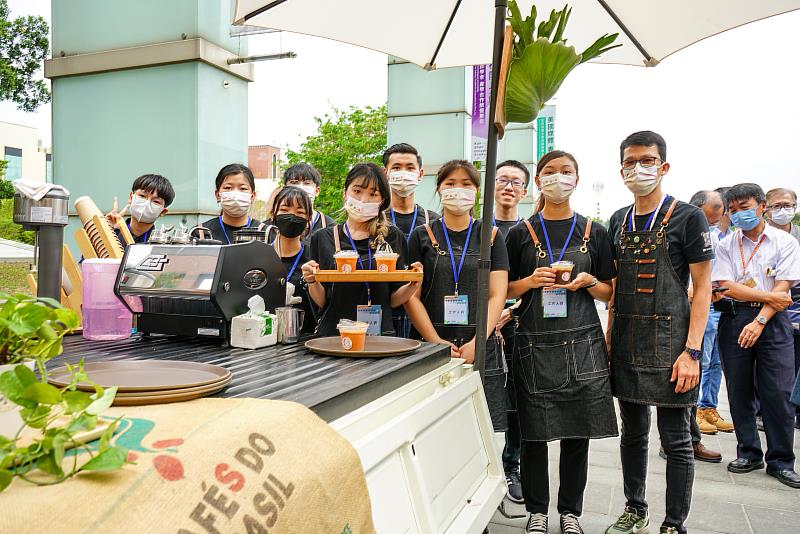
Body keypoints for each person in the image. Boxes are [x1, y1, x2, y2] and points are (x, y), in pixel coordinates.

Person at [605, 131, 713, 534]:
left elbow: (702, 289)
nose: (638, 168)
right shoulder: (618, 220)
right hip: (628, 341)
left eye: (647, 160)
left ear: (663, 166)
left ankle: (673, 523)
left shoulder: (688, 217)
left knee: (677, 441)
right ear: (621, 170)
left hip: (673, 347)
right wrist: (608, 338)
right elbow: (614, 288)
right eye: (630, 161)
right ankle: (635, 508)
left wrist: (693, 352)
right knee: (632, 436)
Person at [505, 150, 617, 534]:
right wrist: (531, 281)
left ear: (577, 179)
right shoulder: (521, 232)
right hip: (535, 343)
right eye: (549, 172)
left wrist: (590, 283)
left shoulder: (594, 231)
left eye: (565, 172)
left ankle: (570, 512)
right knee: (535, 432)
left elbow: (609, 292)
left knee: (577, 431)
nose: (557, 178)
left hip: (582, 343)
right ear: (538, 181)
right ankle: (538, 511)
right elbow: (506, 289)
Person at [404, 160, 509, 432]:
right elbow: (410, 296)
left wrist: (479, 342)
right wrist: (435, 342)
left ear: (476, 191)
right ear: (439, 189)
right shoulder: (421, 236)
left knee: (480, 429)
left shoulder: (492, 236)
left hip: (480, 342)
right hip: (432, 344)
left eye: (466, 184)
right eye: (450, 184)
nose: (457, 190)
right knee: (432, 429)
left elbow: (498, 294)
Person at [712, 183, 800, 489]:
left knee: (777, 391)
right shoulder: (725, 244)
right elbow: (724, 285)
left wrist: (761, 319)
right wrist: (769, 297)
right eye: (733, 210)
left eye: (745, 207)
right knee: (738, 389)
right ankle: (748, 451)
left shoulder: (784, 241)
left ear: (761, 205)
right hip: (735, 318)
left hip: (773, 321)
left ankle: (781, 460)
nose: (739, 215)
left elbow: (784, 288)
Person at [301, 163, 420, 336]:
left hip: (379, 337)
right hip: (333, 336)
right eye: (357, 191)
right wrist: (311, 279)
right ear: (345, 194)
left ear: (383, 201)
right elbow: (323, 300)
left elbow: (393, 300)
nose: (363, 200)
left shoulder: (392, 237)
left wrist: (412, 284)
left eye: (373, 194)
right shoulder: (323, 238)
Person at [491, 159, 529, 504]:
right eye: (502, 179)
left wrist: (508, 312)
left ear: (525, 191)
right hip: (478, 326)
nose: (508, 187)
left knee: (517, 400)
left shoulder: (529, 231)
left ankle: (511, 465)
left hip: (517, 326)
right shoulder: (475, 228)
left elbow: (528, 284)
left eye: (516, 182)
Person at [382, 143, 440, 337]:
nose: (403, 173)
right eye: (396, 168)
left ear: (420, 174)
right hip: (386, 314)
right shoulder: (375, 222)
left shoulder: (434, 221)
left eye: (410, 168)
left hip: (425, 316)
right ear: (386, 173)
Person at [689, 190, 734, 435]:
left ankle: (709, 406)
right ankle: (694, 410)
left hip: (719, 304)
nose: (716, 221)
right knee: (701, 358)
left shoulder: (719, 237)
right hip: (699, 304)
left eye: (719, 216)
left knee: (716, 361)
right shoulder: (689, 231)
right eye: (711, 216)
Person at [765, 187, 800, 429]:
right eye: (776, 206)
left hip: (795, 306)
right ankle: (763, 413)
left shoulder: (796, 237)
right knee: (771, 374)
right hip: (770, 310)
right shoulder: (757, 239)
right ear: (765, 209)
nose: (782, 210)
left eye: (787, 205)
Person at [269, 186, 316, 334]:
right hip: (264, 337)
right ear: (273, 214)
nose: (292, 216)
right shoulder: (260, 256)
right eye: (284, 210)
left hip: (305, 339)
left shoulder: (313, 258)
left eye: (300, 212)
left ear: (308, 218)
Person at [106, 174, 174, 244]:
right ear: (131, 198)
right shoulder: (112, 232)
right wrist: (105, 230)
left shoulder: (163, 244)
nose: (146, 203)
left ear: (162, 212)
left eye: (156, 201)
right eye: (142, 196)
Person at [201, 164, 261, 244]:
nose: (235, 194)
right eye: (228, 188)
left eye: (243, 188)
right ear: (217, 194)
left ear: (252, 196)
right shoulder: (201, 232)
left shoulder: (265, 232)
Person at [282, 163, 335, 235]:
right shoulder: (270, 227)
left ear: (317, 191)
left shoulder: (330, 228)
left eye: (307, 183)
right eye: (294, 182)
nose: (300, 188)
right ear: (284, 189)